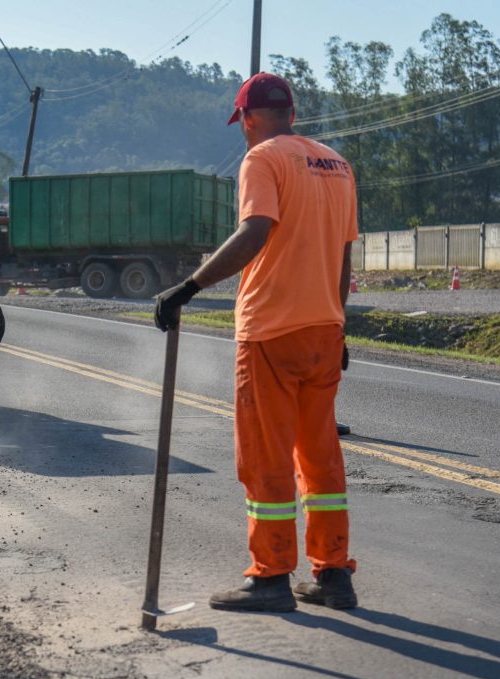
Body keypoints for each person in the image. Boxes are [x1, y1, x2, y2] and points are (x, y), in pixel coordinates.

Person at [154, 73, 359, 613]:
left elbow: (255, 231)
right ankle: (333, 575)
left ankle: (270, 578)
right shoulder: (336, 163)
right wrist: (338, 322)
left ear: (247, 118)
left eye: (242, 123)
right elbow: (343, 256)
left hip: (271, 331)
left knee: (265, 457)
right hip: (323, 330)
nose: (243, 133)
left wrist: (188, 287)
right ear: (291, 110)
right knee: (320, 457)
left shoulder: (263, 159)